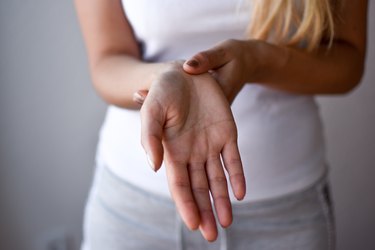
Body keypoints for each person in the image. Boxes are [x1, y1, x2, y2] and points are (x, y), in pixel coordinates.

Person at [74, 0, 368, 249]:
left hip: (284, 212)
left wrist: (256, 59)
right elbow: (107, 59)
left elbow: (347, 61)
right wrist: (160, 80)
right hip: (132, 210)